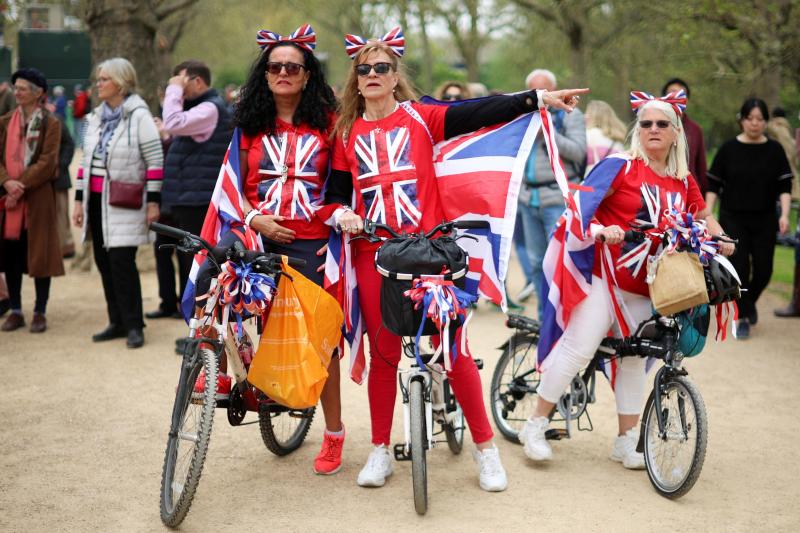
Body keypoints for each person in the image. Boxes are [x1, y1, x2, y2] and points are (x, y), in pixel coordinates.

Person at [327, 28, 587, 492]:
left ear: (395, 76)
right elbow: (333, 194)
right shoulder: (345, 132)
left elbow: (479, 111)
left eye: (381, 67)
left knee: (453, 349)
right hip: (374, 253)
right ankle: (380, 449)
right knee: (383, 353)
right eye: (363, 68)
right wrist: (342, 213)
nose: (372, 74)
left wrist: (536, 99)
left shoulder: (422, 116)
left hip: (431, 252)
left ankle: (486, 450)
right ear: (356, 78)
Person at [518, 91, 734, 468]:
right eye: (646, 123)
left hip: (648, 284)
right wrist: (601, 230)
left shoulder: (682, 180)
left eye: (662, 124)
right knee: (580, 347)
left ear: (676, 132)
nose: (653, 129)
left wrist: (722, 237)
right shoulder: (620, 166)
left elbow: (701, 214)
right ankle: (535, 424)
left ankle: (626, 439)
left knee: (634, 357)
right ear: (638, 129)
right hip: (604, 274)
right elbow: (579, 207)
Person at [194, 25, 345, 475]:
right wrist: (253, 217)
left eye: (292, 67)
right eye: (275, 66)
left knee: (322, 340)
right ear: (264, 73)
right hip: (257, 232)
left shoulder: (331, 123)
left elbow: (344, 185)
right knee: (214, 270)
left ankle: (334, 434)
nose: (283, 73)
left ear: (307, 74)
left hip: (312, 241)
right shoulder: (248, 125)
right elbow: (232, 185)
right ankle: (220, 370)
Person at [72, 57, 164, 349]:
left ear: (121, 83)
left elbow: (155, 161)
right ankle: (117, 321)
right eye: (98, 79)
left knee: (122, 263)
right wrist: (78, 201)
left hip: (125, 202)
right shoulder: (94, 118)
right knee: (103, 262)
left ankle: (134, 324)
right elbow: (85, 163)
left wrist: (153, 202)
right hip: (95, 202)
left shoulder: (139, 116)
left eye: (104, 79)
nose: (98, 84)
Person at [150, 60, 232, 320]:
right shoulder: (199, 107)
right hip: (183, 195)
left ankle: (194, 315)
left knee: (193, 259)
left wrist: (173, 89)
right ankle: (174, 305)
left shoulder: (210, 108)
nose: (178, 88)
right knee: (168, 249)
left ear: (197, 81)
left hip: (198, 197)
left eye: (181, 81)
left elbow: (173, 122)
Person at [706, 98, 794, 338]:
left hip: (765, 218)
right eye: (750, 118)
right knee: (740, 267)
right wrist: (707, 215)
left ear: (766, 122)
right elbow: (713, 184)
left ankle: (748, 302)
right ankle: (743, 317)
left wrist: (785, 215)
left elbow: (784, 185)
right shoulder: (728, 149)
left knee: (764, 270)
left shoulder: (775, 150)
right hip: (733, 217)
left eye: (759, 119)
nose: (754, 123)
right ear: (742, 120)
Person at [0, 68, 64, 333]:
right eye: (15, 88)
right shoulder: (4, 122)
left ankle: (40, 311)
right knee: (11, 255)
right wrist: (6, 181)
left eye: (22, 88)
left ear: (38, 94)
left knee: (40, 254)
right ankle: (16, 310)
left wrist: (20, 185)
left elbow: (48, 162)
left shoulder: (51, 123)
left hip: (38, 199)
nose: (17, 92)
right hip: (9, 200)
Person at [517, 69, 586, 313]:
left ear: (555, 90)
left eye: (544, 89)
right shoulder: (520, 116)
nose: (539, 94)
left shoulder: (571, 115)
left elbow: (578, 153)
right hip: (527, 199)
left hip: (557, 199)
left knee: (559, 261)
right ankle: (544, 317)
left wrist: (548, 133)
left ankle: (563, 318)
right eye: (534, 90)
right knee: (536, 263)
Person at [662, 78, 707, 195]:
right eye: (672, 93)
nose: (676, 98)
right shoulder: (655, 126)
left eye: (681, 95)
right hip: (661, 188)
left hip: (688, 190)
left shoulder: (695, 130)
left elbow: (701, 166)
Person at [584, 99, 626, 173]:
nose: (584, 116)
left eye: (587, 113)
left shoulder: (587, 135)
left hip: (590, 177)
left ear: (592, 116)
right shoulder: (617, 141)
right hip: (612, 178)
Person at [54, 117, 75, 258]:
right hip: (39, 181)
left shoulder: (56, 120)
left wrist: (61, 165)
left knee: (61, 214)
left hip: (59, 179)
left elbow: (69, 144)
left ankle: (65, 248)